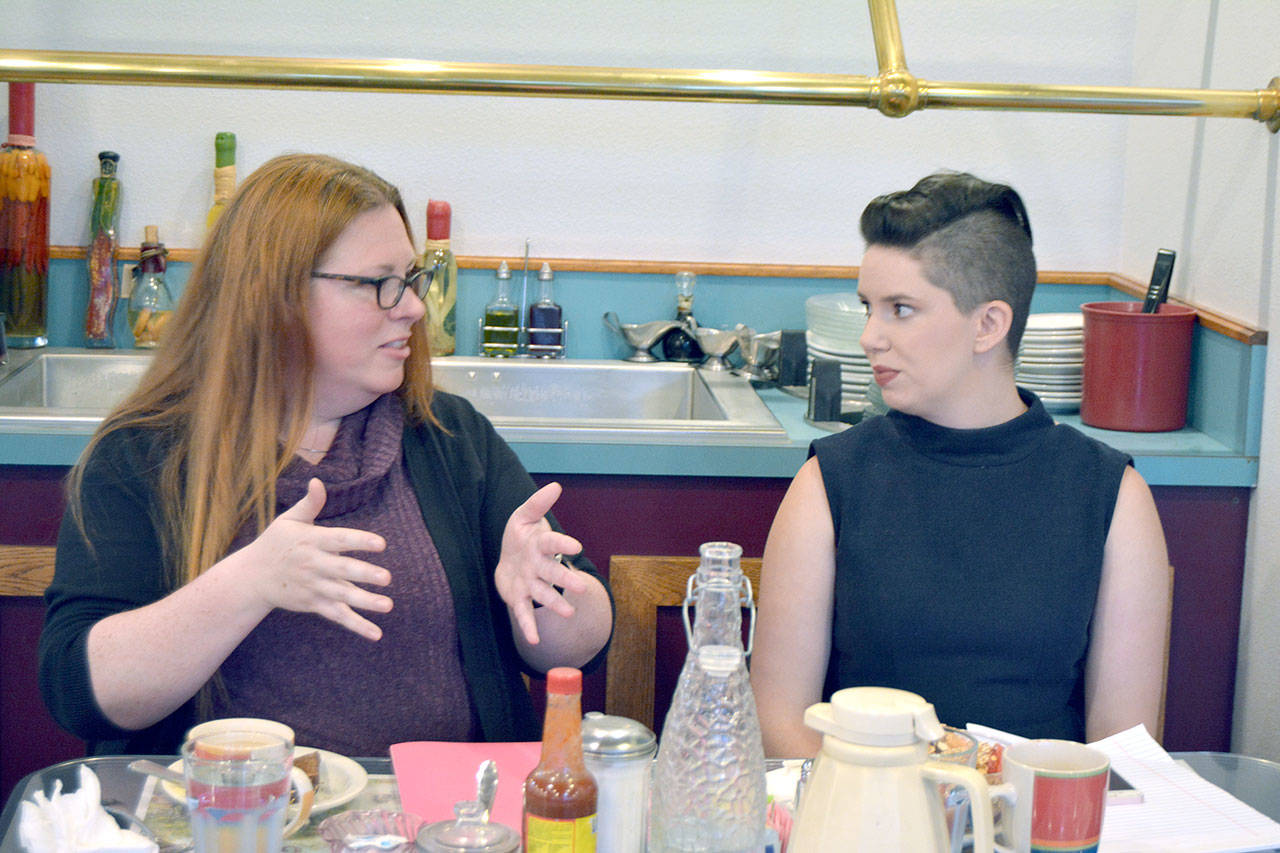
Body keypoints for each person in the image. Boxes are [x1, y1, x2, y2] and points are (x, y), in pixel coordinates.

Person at [39, 153, 614, 756]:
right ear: (274, 295)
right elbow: (82, 694)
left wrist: (549, 589)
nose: (414, 307)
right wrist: (248, 584)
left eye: (410, 279)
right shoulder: (142, 454)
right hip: (234, 807)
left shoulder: (448, 436)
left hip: (447, 806)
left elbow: (581, 649)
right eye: (380, 284)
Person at [751, 172, 1170, 757]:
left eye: (901, 309)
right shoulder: (830, 480)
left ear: (988, 325)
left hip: (1040, 808)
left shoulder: (1112, 494)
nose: (870, 337)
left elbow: (1123, 749)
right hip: (866, 805)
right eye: (869, 307)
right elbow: (779, 723)